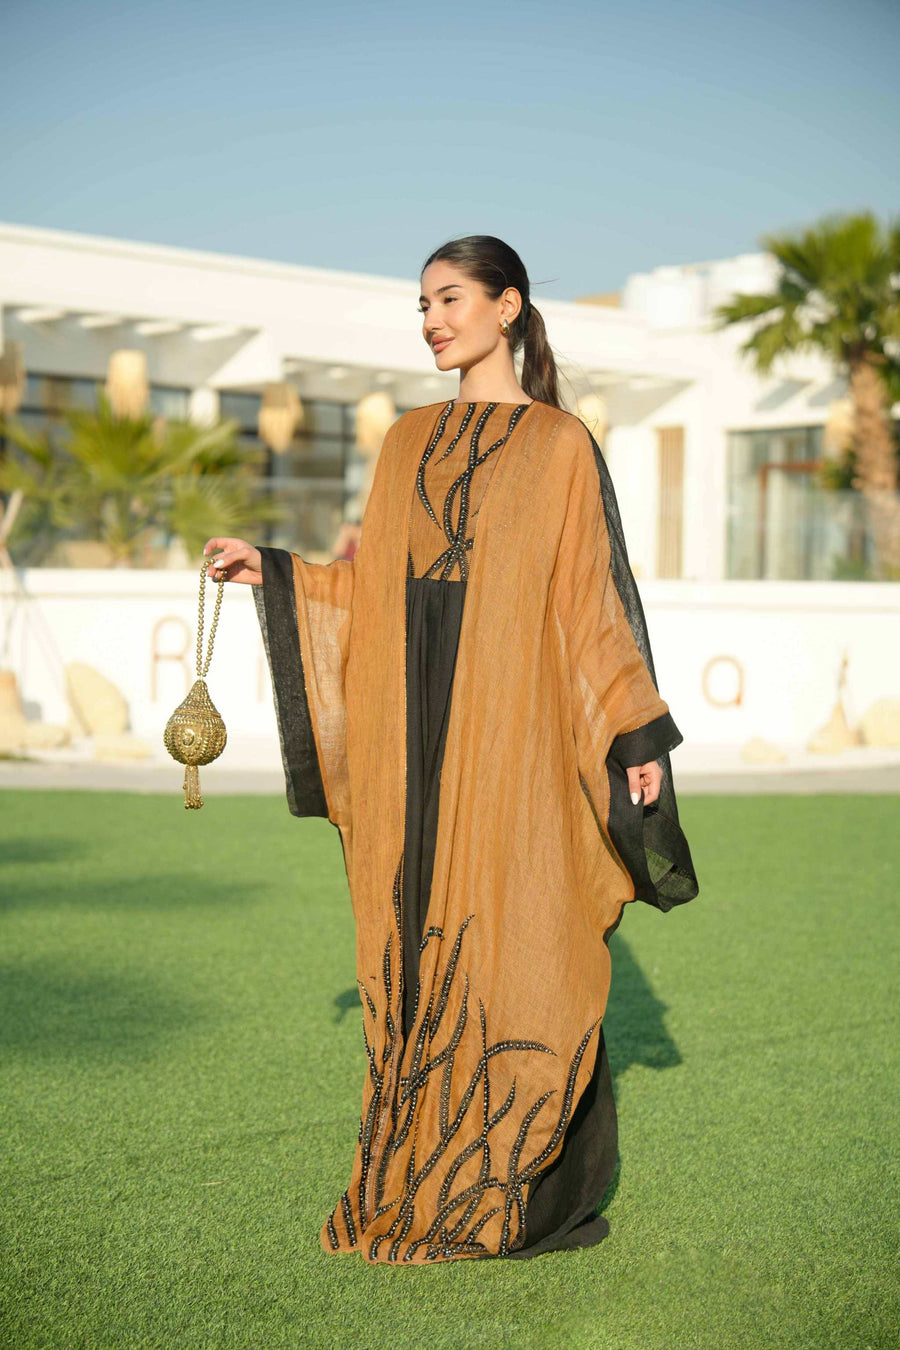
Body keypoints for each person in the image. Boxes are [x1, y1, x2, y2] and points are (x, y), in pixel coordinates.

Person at [203, 234, 699, 1266]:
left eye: (451, 298)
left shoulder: (561, 446)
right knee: (411, 951)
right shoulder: (404, 443)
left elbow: (589, 606)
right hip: (410, 755)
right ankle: (411, 1178)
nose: (432, 318)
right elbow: (379, 589)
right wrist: (280, 572)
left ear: (507, 307)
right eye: (421, 303)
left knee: (521, 943)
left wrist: (631, 730)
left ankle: (525, 1195)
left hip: (506, 750)